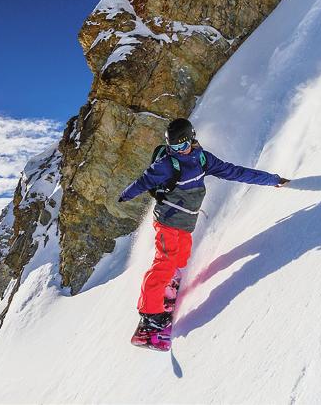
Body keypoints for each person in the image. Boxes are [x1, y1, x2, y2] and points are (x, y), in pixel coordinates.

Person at [118, 118, 289, 335]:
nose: (177, 150)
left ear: (191, 139)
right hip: (167, 222)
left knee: (182, 257)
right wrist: (126, 195)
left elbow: (234, 172)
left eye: (181, 145)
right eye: (173, 147)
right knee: (165, 262)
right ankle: (150, 314)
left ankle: (169, 280)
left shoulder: (202, 159)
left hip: (186, 222)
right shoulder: (166, 164)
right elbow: (144, 181)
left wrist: (271, 180)